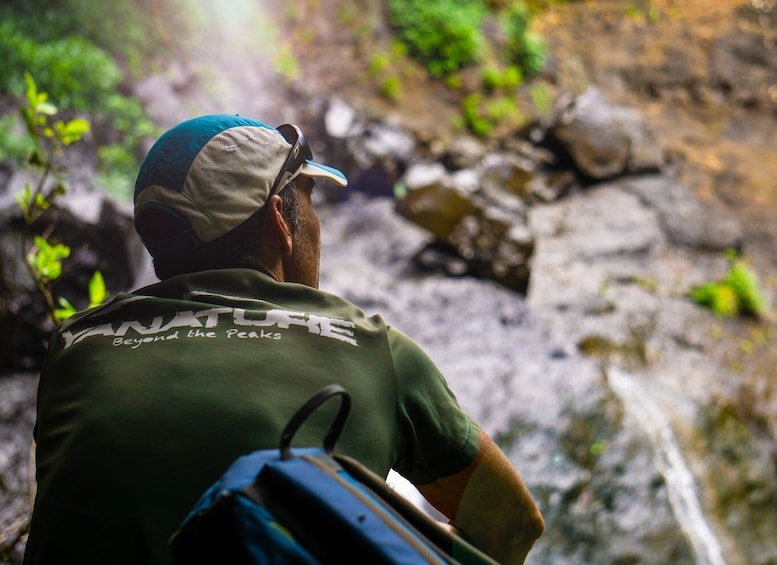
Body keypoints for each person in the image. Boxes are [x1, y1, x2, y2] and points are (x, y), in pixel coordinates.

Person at [24, 114, 543, 564]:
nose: (318, 222)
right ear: (280, 220)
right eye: (309, 199)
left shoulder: (74, 347)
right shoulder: (373, 349)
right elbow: (512, 525)